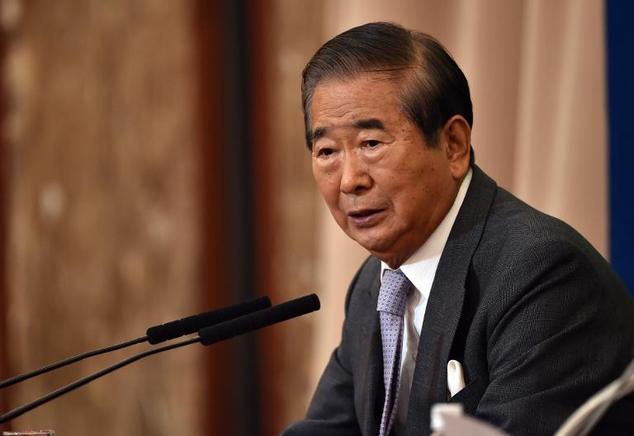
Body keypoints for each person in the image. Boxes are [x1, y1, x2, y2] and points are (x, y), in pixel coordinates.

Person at [283, 22, 634, 436]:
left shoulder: (541, 274)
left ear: (453, 144)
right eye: (326, 151)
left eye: (371, 144)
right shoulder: (374, 285)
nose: (349, 180)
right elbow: (329, 428)